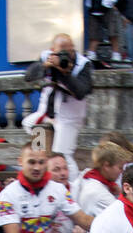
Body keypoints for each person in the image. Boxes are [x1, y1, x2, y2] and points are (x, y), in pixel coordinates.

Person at [23, 35, 93, 182]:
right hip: (47, 114)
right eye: (63, 52)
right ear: (53, 50)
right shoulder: (46, 57)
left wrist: (64, 73)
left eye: (71, 51)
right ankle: (41, 173)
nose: (68, 55)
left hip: (70, 116)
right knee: (32, 130)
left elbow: (81, 92)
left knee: (63, 155)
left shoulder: (82, 64)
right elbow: (28, 77)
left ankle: (73, 187)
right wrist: (45, 66)